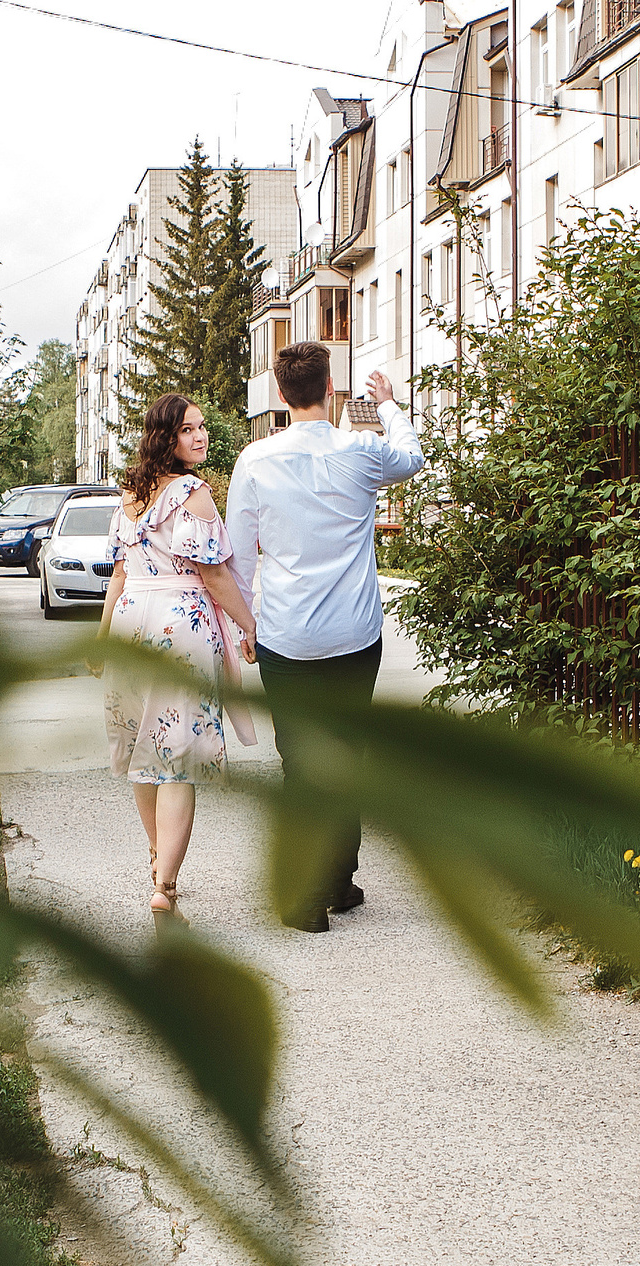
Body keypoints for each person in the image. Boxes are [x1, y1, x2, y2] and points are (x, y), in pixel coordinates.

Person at [227, 340, 425, 934]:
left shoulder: (255, 462)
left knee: (300, 761)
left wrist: (245, 627)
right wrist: (388, 405)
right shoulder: (362, 451)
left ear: (282, 395)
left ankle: (307, 896)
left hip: (286, 635)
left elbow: (236, 554)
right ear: (331, 388)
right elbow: (411, 456)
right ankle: (337, 880)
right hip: (354, 633)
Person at [97, 393, 259, 916]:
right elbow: (213, 575)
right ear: (166, 438)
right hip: (179, 624)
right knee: (178, 758)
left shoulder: (130, 496)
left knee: (146, 754)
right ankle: (164, 884)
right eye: (189, 430)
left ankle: (156, 860)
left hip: (131, 622)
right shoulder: (195, 494)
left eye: (203, 427)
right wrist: (249, 625)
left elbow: (120, 576)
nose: (202, 436)